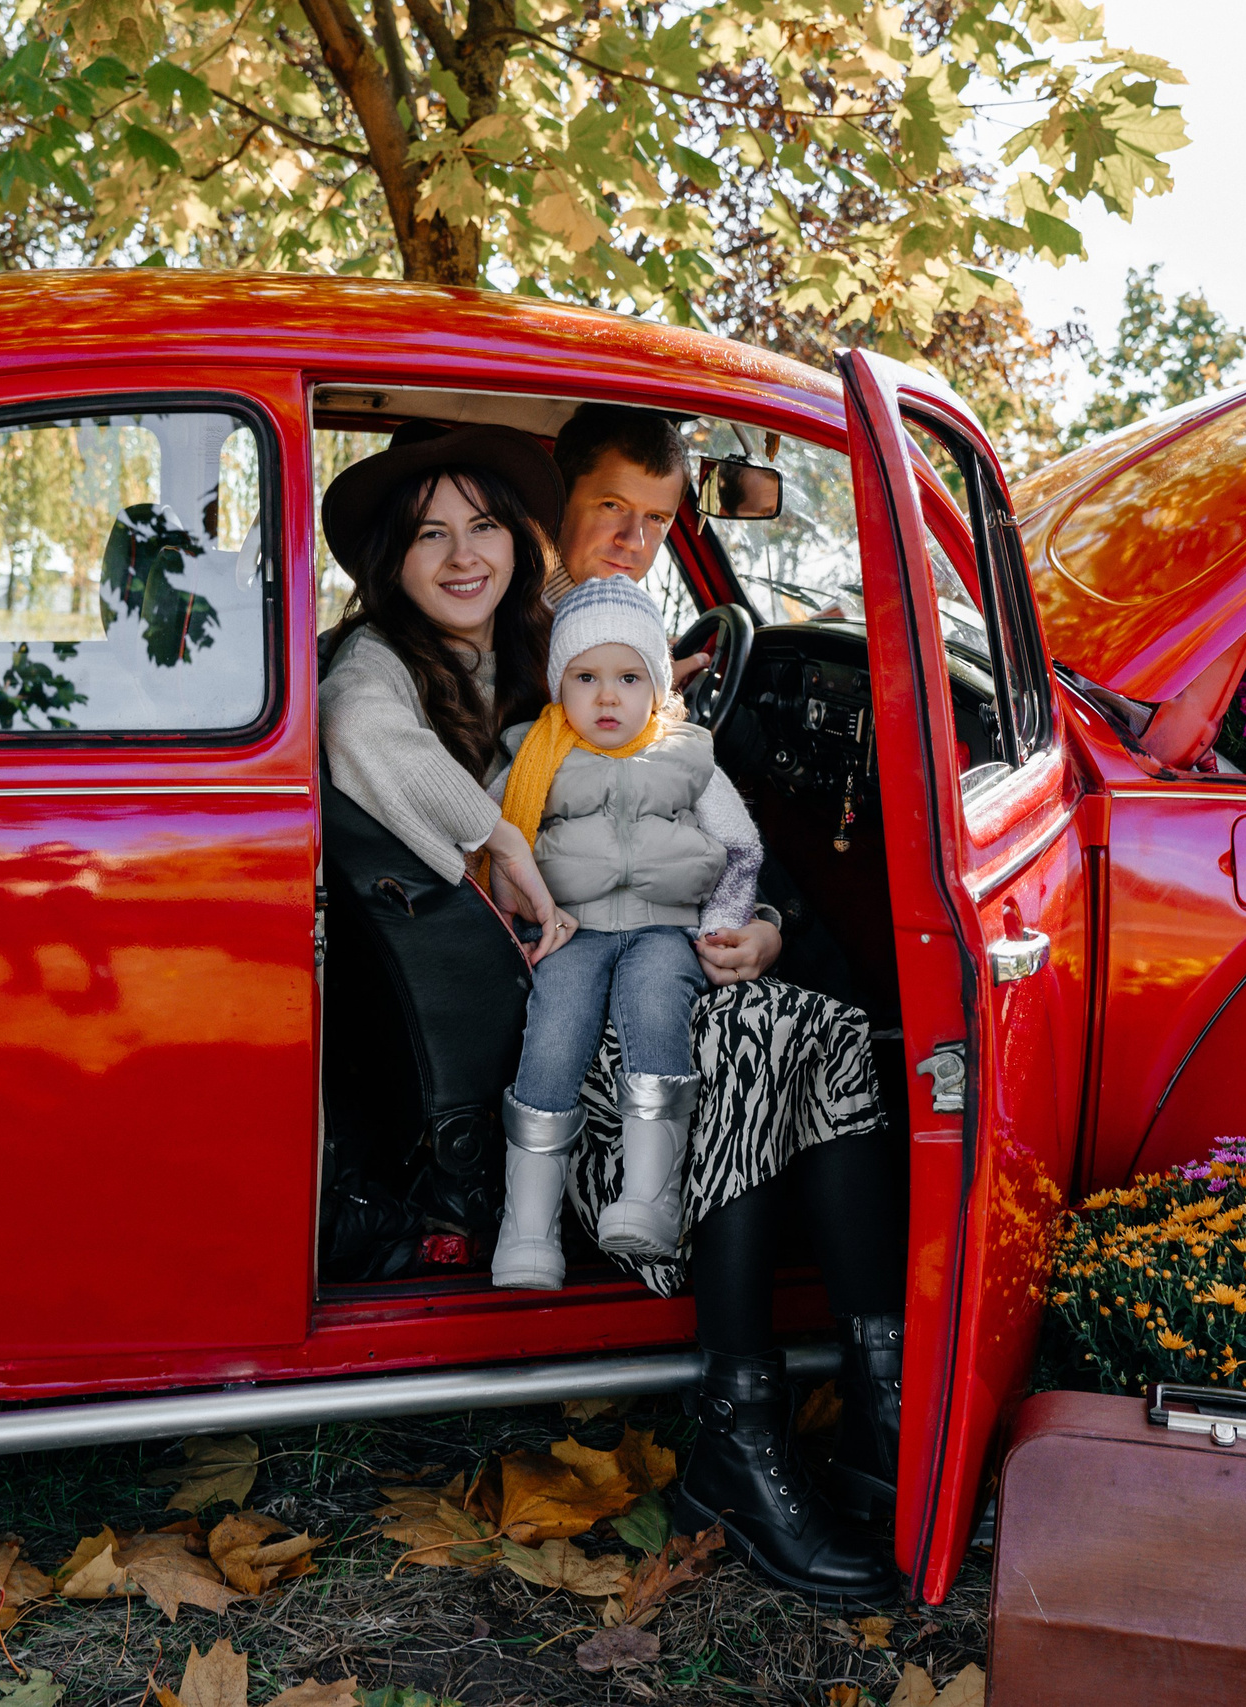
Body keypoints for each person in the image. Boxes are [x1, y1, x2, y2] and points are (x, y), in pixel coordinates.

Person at [319, 421, 903, 1603]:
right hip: (525, 1051)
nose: (464, 553)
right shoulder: (374, 665)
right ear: (391, 559)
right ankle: (739, 1441)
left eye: (484, 524)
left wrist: (764, 926)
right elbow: (359, 735)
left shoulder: (561, 651)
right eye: (430, 534)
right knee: (743, 1049)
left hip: (610, 974)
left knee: (816, 1028)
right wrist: (500, 843)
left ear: (520, 540)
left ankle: (880, 1406)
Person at [486, 577, 763, 1289]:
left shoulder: (685, 753)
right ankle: (528, 1227)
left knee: (654, 1007)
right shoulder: (535, 754)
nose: (607, 697)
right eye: (585, 677)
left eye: (628, 677)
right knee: (553, 1027)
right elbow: (492, 842)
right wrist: (513, 918)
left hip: (663, 928)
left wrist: (725, 926)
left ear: (657, 685)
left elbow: (739, 846)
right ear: (559, 687)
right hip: (571, 929)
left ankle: (650, 1196)